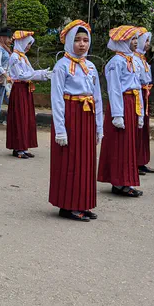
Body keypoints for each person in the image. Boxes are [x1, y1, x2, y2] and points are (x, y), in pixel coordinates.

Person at [50, 21, 103, 221]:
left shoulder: (90, 66)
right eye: (78, 40)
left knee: (86, 160)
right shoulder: (61, 66)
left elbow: (97, 96)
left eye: (86, 40)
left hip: (87, 117)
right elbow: (56, 99)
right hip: (71, 115)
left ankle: (84, 202)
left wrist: (99, 126)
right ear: (69, 41)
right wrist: (60, 130)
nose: (82, 44)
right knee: (71, 160)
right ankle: (68, 205)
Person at [98, 26, 144, 197]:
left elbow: (138, 86)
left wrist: (140, 112)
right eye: (132, 39)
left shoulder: (132, 60)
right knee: (120, 144)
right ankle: (119, 182)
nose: (135, 42)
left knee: (129, 144)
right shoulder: (116, 62)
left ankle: (125, 181)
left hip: (131, 103)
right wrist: (117, 114)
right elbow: (114, 89)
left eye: (135, 38)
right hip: (122, 104)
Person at [6, 30, 51, 159]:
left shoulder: (22, 56)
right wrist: (40, 74)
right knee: (20, 117)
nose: (28, 47)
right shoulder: (15, 57)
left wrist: (42, 74)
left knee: (26, 117)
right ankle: (18, 148)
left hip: (26, 89)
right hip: (19, 89)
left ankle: (24, 146)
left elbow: (30, 72)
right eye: (28, 43)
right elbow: (21, 75)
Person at [135, 29, 154, 175]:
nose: (147, 44)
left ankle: (141, 160)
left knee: (143, 129)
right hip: (138, 94)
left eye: (148, 41)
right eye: (145, 40)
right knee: (137, 128)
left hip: (145, 93)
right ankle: (135, 161)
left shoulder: (142, 58)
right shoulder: (135, 59)